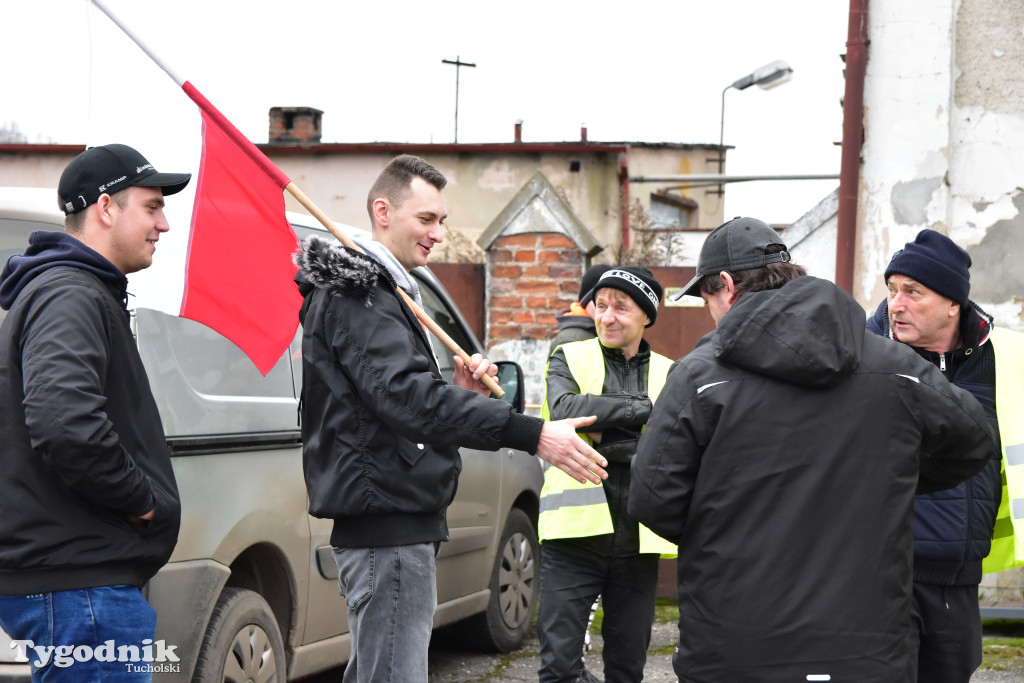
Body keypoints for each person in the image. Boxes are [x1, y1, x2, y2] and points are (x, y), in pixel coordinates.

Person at [628, 217, 996, 683]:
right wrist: (888, 484)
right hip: (865, 653)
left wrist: (731, 530)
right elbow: (973, 441)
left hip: (733, 645)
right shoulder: (894, 366)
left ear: (724, 284)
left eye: (706, 299)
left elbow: (651, 497)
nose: (710, 314)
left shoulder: (700, 374)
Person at [293, 154, 608, 683]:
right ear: (383, 211)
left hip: (395, 528)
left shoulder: (383, 293)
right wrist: (530, 434)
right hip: (386, 532)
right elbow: (409, 401)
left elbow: (395, 404)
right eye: (426, 219)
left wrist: (454, 391)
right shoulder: (361, 294)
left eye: (441, 220)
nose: (438, 234)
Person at [0, 144, 189, 681]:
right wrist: (141, 501)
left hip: (78, 582)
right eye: (152, 207)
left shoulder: (74, 290)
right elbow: (64, 422)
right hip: (80, 587)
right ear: (106, 208)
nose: (165, 224)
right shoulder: (70, 294)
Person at [866, 228, 1024, 682]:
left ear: (953, 303)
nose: (896, 304)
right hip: (881, 576)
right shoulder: (864, 356)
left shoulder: (1002, 359)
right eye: (892, 290)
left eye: (913, 292)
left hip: (960, 578)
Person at [538, 266, 676, 683]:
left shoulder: (673, 372)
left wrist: (601, 431)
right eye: (600, 306)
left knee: (627, 669)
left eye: (621, 307)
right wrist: (642, 412)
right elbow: (563, 413)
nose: (607, 316)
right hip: (572, 539)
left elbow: (672, 447)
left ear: (647, 315)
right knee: (559, 668)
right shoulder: (569, 356)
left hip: (637, 540)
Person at [549, 263, 613, 355]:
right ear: (585, 302)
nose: (608, 312)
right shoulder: (572, 340)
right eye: (601, 304)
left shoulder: (598, 331)